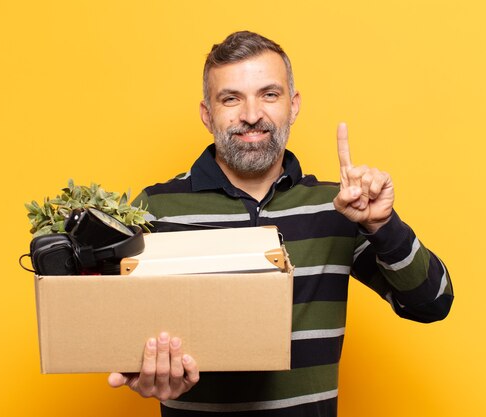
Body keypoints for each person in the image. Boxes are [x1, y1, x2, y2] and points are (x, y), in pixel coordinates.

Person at [108, 31, 453, 416]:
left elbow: (431, 304)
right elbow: (114, 326)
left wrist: (384, 224)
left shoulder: (338, 206)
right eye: (231, 98)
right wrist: (140, 370)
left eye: (269, 94)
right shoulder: (155, 208)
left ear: (293, 104)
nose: (252, 115)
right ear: (207, 114)